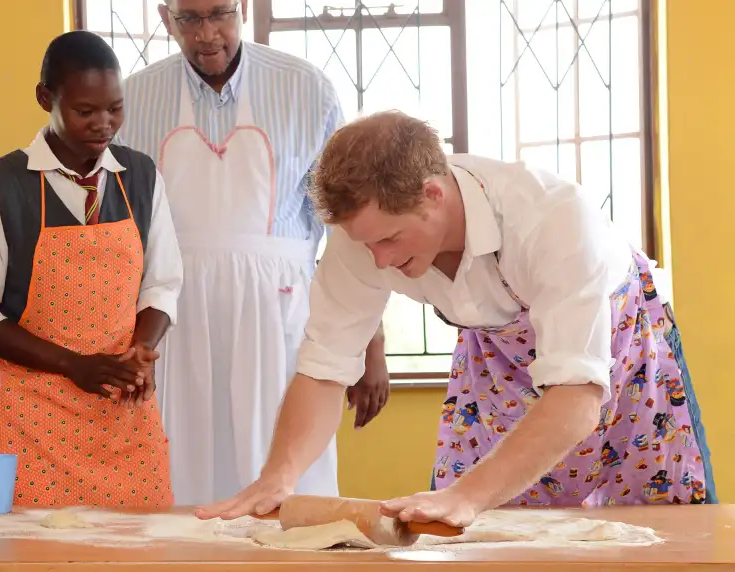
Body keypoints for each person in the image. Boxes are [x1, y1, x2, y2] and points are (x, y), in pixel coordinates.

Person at [194, 110, 716, 524]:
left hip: (623, 353)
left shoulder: (554, 219)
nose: (378, 261)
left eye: (390, 240)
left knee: (656, 530)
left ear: (433, 194)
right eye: (365, 243)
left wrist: (469, 494)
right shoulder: (364, 238)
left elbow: (577, 396)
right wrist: (278, 476)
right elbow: (324, 368)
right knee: (475, 534)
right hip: (497, 359)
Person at [117, 0, 389, 506]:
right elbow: (121, 232)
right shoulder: (133, 99)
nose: (207, 34)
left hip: (280, 317)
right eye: (189, 19)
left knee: (285, 468)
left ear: (243, 6)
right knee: (182, 471)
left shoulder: (307, 89)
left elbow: (349, 226)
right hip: (176, 323)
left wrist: (371, 345)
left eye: (220, 13)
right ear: (163, 16)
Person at [0, 30, 183, 508]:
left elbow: (162, 283)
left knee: (140, 554)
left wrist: (140, 351)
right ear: (45, 99)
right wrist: (74, 365)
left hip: (124, 417)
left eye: (115, 108)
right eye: (85, 111)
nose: (104, 124)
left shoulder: (140, 178)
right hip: (32, 426)